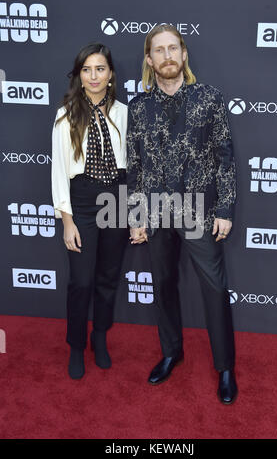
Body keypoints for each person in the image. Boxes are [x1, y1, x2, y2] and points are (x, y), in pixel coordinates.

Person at [127, 25, 238, 404]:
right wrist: (137, 215)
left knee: (215, 288)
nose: (167, 55)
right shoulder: (138, 108)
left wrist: (224, 208)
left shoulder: (209, 98)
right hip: (156, 211)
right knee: (162, 285)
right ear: (149, 59)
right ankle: (172, 352)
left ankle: (225, 367)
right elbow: (135, 165)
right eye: (158, 50)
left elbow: (225, 157)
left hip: (198, 211)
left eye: (173, 48)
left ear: (184, 53)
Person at [51, 43, 128, 379]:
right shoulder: (66, 113)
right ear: (79, 76)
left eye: (100, 69)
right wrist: (67, 221)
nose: (94, 76)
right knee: (81, 281)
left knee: (108, 278)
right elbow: (58, 170)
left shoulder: (125, 113)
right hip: (81, 201)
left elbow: (133, 168)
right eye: (87, 69)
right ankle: (76, 346)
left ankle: (100, 337)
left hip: (117, 199)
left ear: (110, 74)